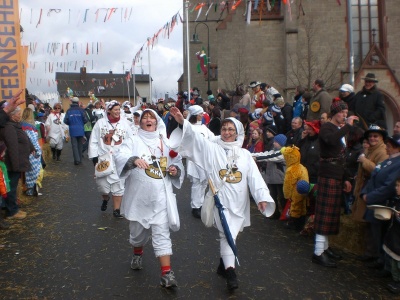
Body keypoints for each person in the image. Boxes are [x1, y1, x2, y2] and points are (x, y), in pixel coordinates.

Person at [169, 106, 275, 290]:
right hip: (220, 201)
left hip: (239, 203)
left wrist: (261, 197)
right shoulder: (212, 149)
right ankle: (231, 273)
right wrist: (182, 122)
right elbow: (195, 139)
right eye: (224, 129)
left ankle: (222, 264)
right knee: (226, 234)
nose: (227, 133)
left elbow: (254, 178)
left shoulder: (245, 155)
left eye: (231, 130)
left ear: (238, 133)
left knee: (232, 233)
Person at [113, 109, 184, 288]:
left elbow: (176, 162)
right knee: (137, 234)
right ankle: (137, 252)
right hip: (139, 198)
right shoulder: (133, 139)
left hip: (160, 197)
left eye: (151, 117)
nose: (148, 119)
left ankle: (167, 273)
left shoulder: (166, 142)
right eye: (144, 117)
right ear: (140, 122)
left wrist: (175, 171)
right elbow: (119, 155)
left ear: (157, 121)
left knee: (162, 234)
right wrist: (133, 160)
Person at [312, 100, 359, 268]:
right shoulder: (327, 128)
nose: (345, 115)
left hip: (337, 175)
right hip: (327, 174)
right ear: (334, 113)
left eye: (346, 112)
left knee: (331, 214)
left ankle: (324, 248)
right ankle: (318, 252)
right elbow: (331, 141)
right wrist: (347, 126)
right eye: (342, 112)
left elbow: (341, 157)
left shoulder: (339, 130)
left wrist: (346, 178)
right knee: (324, 214)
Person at [360, 134, 400, 274]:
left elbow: (390, 186)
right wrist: (365, 192)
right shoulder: (387, 161)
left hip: (384, 204)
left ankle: (385, 264)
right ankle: (378, 258)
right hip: (375, 203)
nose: (386, 147)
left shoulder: (398, 163)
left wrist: (370, 196)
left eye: (389, 145)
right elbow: (373, 176)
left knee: (384, 234)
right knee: (375, 231)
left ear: (396, 148)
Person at [88, 100, 134, 218]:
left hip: (120, 158)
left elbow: (131, 140)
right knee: (103, 186)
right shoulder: (100, 123)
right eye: (115, 110)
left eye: (119, 109)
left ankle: (116, 210)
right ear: (109, 110)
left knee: (119, 184)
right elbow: (93, 140)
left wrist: (128, 155)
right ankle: (105, 198)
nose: (118, 112)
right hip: (104, 158)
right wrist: (94, 158)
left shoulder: (125, 124)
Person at [0, 107, 34, 220]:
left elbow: (24, 139)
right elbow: (12, 147)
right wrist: (15, 166)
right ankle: (12, 211)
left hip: (17, 162)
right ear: (11, 115)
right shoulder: (10, 128)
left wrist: (31, 147)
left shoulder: (16, 125)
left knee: (12, 187)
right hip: (14, 163)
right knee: (11, 188)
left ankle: (13, 208)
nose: (20, 115)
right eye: (18, 114)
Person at [185, 105, 215, 218]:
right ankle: (195, 206)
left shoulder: (203, 127)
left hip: (205, 159)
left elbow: (212, 138)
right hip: (194, 160)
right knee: (197, 182)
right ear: (195, 115)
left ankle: (201, 204)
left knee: (204, 183)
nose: (203, 115)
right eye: (201, 113)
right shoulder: (189, 127)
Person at [253, 134, 286, 220]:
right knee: (273, 196)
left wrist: (255, 158)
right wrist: (250, 154)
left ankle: (284, 215)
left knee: (281, 198)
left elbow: (269, 157)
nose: (274, 143)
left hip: (280, 179)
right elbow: (265, 154)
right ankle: (275, 213)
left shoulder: (283, 153)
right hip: (272, 179)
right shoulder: (274, 151)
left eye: (276, 142)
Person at [383, 176, 400, 294]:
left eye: (399, 186)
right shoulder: (397, 200)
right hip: (395, 236)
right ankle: (396, 280)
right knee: (394, 262)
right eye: (396, 185)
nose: (396, 188)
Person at [21, 108, 42, 196]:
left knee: (28, 172)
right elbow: (33, 141)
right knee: (34, 171)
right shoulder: (29, 127)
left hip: (23, 151)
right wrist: (38, 151)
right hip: (31, 152)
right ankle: (31, 190)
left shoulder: (20, 125)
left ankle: (30, 189)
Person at [64, 97, 88, 165]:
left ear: (71, 102)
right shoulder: (81, 110)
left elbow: (65, 120)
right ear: (78, 102)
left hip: (72, 129)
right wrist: (81, 123)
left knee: (74, 145)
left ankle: (76, 160)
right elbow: (85, 120)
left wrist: (71, 124)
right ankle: (80, 159)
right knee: (80, 145)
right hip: (80, 129)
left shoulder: (69, 111)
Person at [0, 141, 10, 229]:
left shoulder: (2, 162)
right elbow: (0, 180)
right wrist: (4, 192)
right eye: (3, 151)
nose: (4, 153)